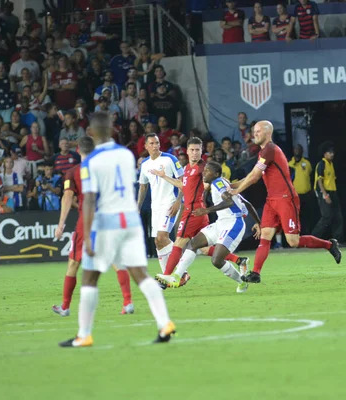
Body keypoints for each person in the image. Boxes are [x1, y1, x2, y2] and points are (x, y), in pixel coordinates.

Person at [59, 113, 175, 348]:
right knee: (140, 274)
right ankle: (164, 323)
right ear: (112, 129)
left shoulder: (90, 161)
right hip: (130, 221)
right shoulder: (126, 154)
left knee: (89, 277)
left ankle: (84, 334)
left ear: (91, 132)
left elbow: (89, 200)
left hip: (107, 222)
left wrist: (89, 234)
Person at [229, 121, 341, 284]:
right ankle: (256, 273)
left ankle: (330, 245)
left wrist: (235, 191)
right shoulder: (263, 152)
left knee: (293, 241)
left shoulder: (270, 149)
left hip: (285, 199)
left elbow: (254, 177)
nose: (255, 134)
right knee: (265, 235)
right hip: (272, 200)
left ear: (268, 132)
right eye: (254, 131)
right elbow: (252, 174)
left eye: (258, 131)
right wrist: (232, 186)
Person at [147, 137, 249, 289]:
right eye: (192, 150)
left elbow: (211, 181)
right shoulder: (187, 168)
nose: (195, 153)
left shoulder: (203, 168)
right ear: (187, 151)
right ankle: (238, 260)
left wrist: (224, 184)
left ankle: (167, 277)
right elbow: (183, 185)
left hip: (194, 211)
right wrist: (164, 176)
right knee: (203, 248)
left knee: (179, 242)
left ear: (201, 151)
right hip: (196, 212)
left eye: (198, 150)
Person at [53, 136, 133, 317]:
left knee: (74, 262)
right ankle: (127, 302)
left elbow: (67, 197)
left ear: (78, 151)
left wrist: (61, 224)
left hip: (86, 222)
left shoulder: (73, 172)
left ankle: (65, 306)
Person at [158, 161, 261, 292]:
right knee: (193, 243)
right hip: (221, 223)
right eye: (204, 170)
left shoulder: (218, 183)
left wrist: (207, 210)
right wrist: (258, 222)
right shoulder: (222, 184)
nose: (204, 173)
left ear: (216, 174)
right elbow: (247, 204)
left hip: (233, 224)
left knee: (216, 260)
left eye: (207, 171)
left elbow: (228, 202)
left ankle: (241, 282)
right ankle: (177, 276)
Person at [137, 133, 184, 273]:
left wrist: (178, 201)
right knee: (158, 242)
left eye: (157, 142)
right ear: (146, 146)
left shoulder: (170, 159)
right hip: (155, 207)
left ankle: (182, 270)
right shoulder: (145, 164)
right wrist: (137, 207)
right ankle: (166, 274)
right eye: (151, 143)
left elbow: (183, 181)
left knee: (162, 237)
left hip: (170, 202)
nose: (155, 146)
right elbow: (143, 186)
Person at [312, 143, 344, 243]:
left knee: (338, 217)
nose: (332, 154)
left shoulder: (331, 164)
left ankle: (337, 241)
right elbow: (319, 181)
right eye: (330, 152)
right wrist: (325, 194)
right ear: (324, 154)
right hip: (324, 192)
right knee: (327, 216)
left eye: (333, 152)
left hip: (333, 192)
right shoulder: (322, 164)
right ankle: (313, 238)